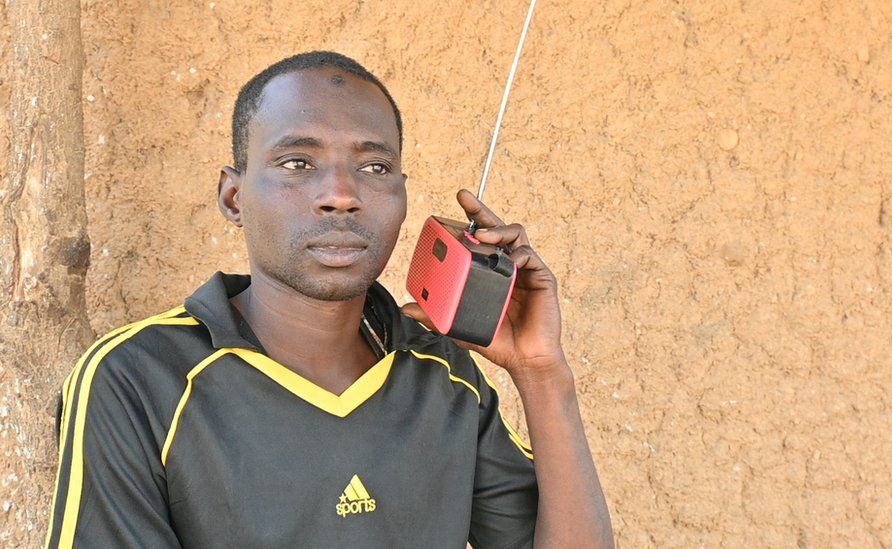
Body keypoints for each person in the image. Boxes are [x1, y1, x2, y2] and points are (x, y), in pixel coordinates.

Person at [46, 51, 612, 548]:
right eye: (298, 163)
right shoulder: (138, 377)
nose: (341, 195)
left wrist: (542, 375)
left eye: (374, 167)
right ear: (233, 195)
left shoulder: (441, 372)